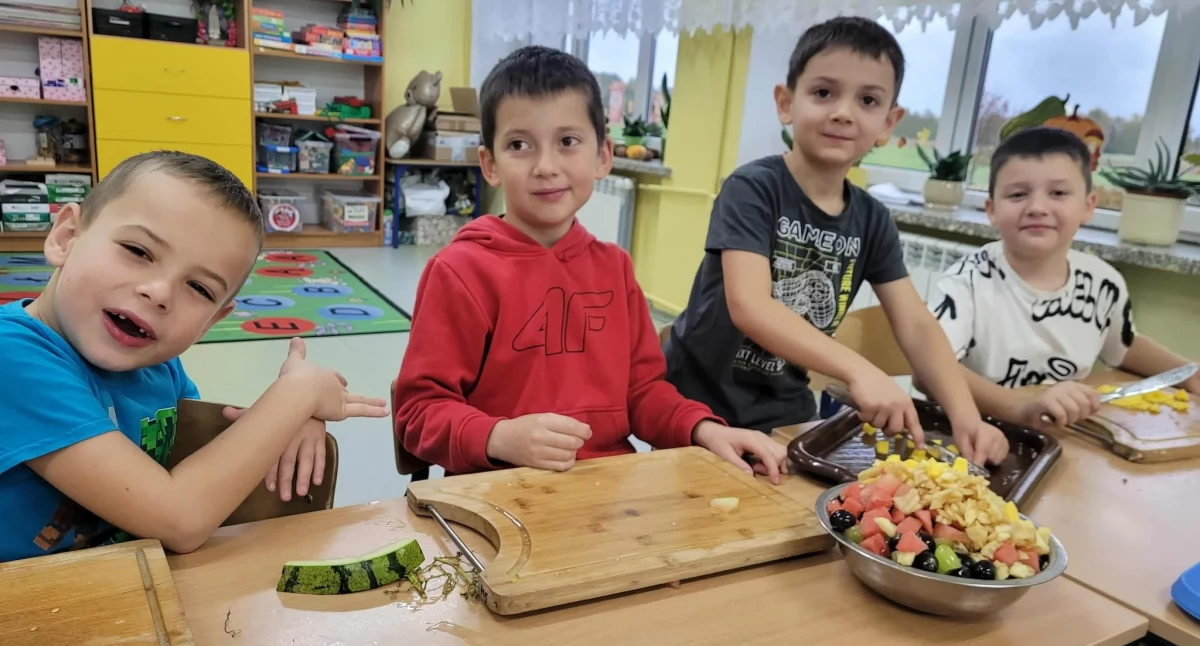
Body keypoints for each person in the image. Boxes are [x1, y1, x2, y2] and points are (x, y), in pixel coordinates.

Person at [392, 46, 788, 482]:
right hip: (494, 495)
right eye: (519, 145)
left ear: (602, 156)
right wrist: (498, 436)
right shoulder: (460, 271)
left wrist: (705, 429)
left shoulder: (615, 269)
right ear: (490, 164)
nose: (545, 166)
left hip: (607, 497)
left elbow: (643, 393)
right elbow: (417, 415)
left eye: (567, 142)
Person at [0, 151, 388, 563]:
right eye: (138, 250)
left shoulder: (157, 366)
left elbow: (205, 459)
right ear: (66, 237)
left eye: (200, 289)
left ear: (212, 321)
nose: (160, 292)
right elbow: (180, 519)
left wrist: (291, 417)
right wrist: (297, 395)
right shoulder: (12, 355)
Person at [663, 17, 1010, 465]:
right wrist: (858, 368)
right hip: (698, 409)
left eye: (867, 100)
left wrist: (966, 416)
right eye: (823, 92)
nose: (843, 112)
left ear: (888, 122)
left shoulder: (873, 219)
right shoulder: (753, 188)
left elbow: (917, 326)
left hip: (787, 414)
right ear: (786, 103)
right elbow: (750, 306)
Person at [930, 127, 1199, 428]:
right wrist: (1020, 407)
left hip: (1068, 435)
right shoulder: (965, 283)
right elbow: (930, 370)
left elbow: (1122, 346)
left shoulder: (1104, 282)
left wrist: (1188, 371)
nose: (1037, 208)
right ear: (991, 210)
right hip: (974, 437)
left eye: (1058, 193)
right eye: (1018, 194)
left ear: (1088, 206)